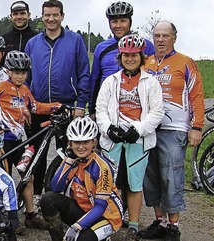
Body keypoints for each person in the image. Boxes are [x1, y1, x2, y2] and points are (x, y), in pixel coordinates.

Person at [0, 51, 60, 233]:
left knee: (28, 176)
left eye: (24, 72)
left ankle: (30, 216)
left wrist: (57, 106)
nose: (20, 75)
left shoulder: (25, 90)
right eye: (16, 72)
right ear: (8, 71)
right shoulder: (1, 87)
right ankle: (6, 219)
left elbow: (35, 107)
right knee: (3, 181)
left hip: (19, 141)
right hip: (2, 142)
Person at [138, 21, 204, 241]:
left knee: (172, 177)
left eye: (165, 35)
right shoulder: (145, 63)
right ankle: (160, 221)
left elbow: (197, 96)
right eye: (157, 35)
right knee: (151, 177)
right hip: (149, 128)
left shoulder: (185, 62)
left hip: (174, 129)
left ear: (174, 37)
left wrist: (196, 127)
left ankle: (173, 226)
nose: (160, 40)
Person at [95, 34, 164, 240]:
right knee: (110, 183)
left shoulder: (151, 82)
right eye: (126, 55)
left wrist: (140, 129)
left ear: (141, 57)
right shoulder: (110, 81)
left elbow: (157, 112)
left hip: (138, 140)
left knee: (134, 184)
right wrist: (108, 128)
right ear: (120, 57)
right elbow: (100, 109)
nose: (130, 59)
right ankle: (109, 221)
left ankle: (133, 226)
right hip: (114, 138)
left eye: (134, 55)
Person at [24, 0, 91, 203]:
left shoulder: (75, 40)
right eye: (47, 15)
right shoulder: (33, 43)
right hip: (38, 107)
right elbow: (25, 78)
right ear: (42, 17)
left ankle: (68, 194)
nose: (51, 19)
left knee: (68, 153)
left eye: (55, 15)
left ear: (62, 16)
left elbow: (84, 74)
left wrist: (81, 104)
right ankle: (36, 195)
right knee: (38, 154)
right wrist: (25, 105)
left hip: (67, 107)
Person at [42, 117, 123, 241]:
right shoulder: (72, 160)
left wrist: (76, 227)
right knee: (48, 199)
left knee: (79, 239)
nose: (81, 147)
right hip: (84, 209)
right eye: (76, 142)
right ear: (70, 143)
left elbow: (100, 206)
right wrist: (68, 161)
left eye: (85, 142)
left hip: (105, 216)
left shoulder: (102, 167)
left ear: (94, 142)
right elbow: (55, 188)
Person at [89, 1, 155, 118]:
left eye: (123, 21)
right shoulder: (101, 48)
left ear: (130, 22)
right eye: (114, 21)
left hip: (137, 108)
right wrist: (92, 109)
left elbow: (154, 77)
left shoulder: (146, 45)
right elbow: (95, 79)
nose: (118, 25)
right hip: (107, 107)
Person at [1, 1, 39, 65]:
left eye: (22, 13)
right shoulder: (3, 39)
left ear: (29, 15)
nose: (19, 17)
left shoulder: (38, 38)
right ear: (11, 16)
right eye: (15, 14)